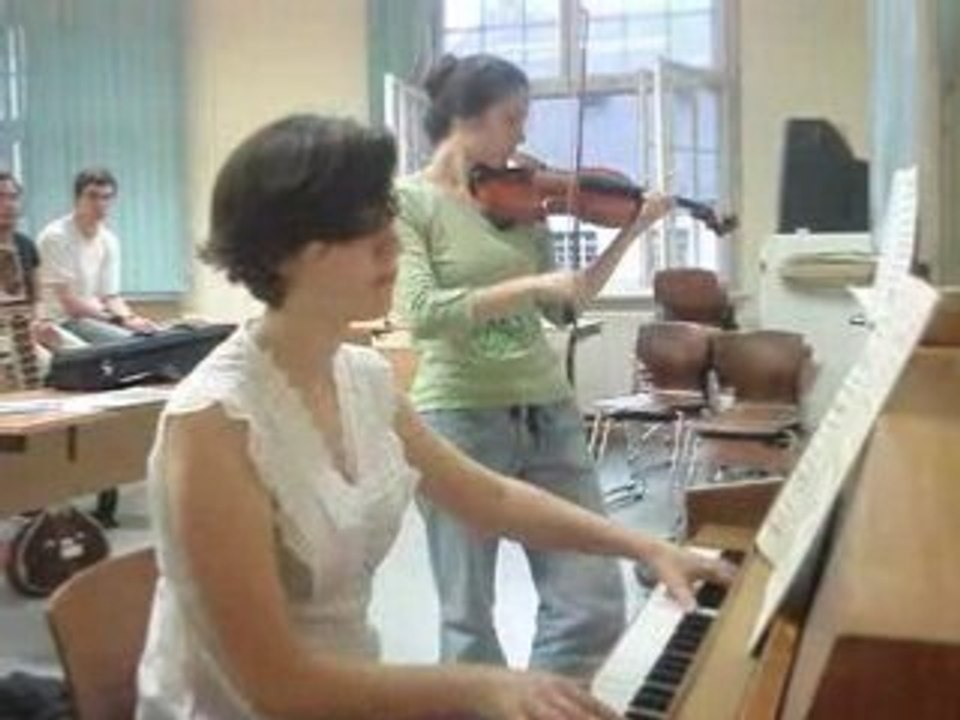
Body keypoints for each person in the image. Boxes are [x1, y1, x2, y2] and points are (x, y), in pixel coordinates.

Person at [135, 114, 731, 719]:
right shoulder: (213, 423)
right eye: (362, 227)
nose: (391, 242)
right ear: (287, 252)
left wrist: (647, 549)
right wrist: (485, 687)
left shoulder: (361, 377)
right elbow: (279, 685)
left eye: (384, 216)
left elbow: (488, 497)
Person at [392, 53, 673, 679]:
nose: (523, 136)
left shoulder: (521, 204)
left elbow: (565, 304)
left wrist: (632, 230)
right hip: (457, 419)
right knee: (467, 621)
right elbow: (422, 314)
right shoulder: (408, 202)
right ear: (465, 119)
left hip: (547, 412)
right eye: (511, 119)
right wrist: (525, 286)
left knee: (593, 602)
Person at [36, 167, 158, 348]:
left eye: (106, 197)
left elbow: (110, 297)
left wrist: (132, 318)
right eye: (92, 196)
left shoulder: (109, 240)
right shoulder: (56, 237)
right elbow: (69, 303)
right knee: (129, 345)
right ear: (77, 199)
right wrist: (119, 321)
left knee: (152, 338)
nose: (100, 203)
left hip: (94, 317)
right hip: (62, 321)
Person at [0, 171, 58, 355]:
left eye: (13, 197)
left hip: (25, 327)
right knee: (43, 362)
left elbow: (37, 299)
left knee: (77, 356)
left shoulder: (26, 245)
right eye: (0, 197)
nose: (8, 204)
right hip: (5, 333)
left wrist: (39, 321)